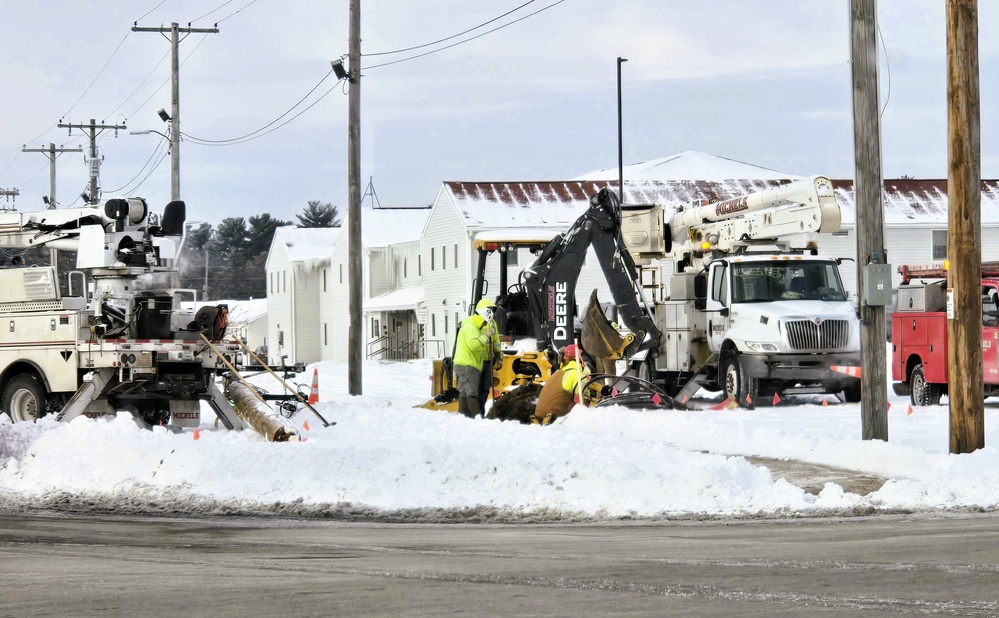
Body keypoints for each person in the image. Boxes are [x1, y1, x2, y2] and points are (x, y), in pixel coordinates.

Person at [453, 298, 501, 418]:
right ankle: (474, 415)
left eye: (493, 310)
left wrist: (498, 353)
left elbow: (495, 341)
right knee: (473, 391)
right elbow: (474, 345)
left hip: (484, 361)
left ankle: (474, 414)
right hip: (474, 361)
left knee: (482, 389)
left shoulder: (491, 324)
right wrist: (485, 335)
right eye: (490, 310)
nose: (492, 313)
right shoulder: (472, 325)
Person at [533, 343, 592, 425]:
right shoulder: (576, 374)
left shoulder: (558, 373)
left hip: (538, 418)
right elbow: (581, 401)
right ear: (579, 358)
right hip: (552, 420)